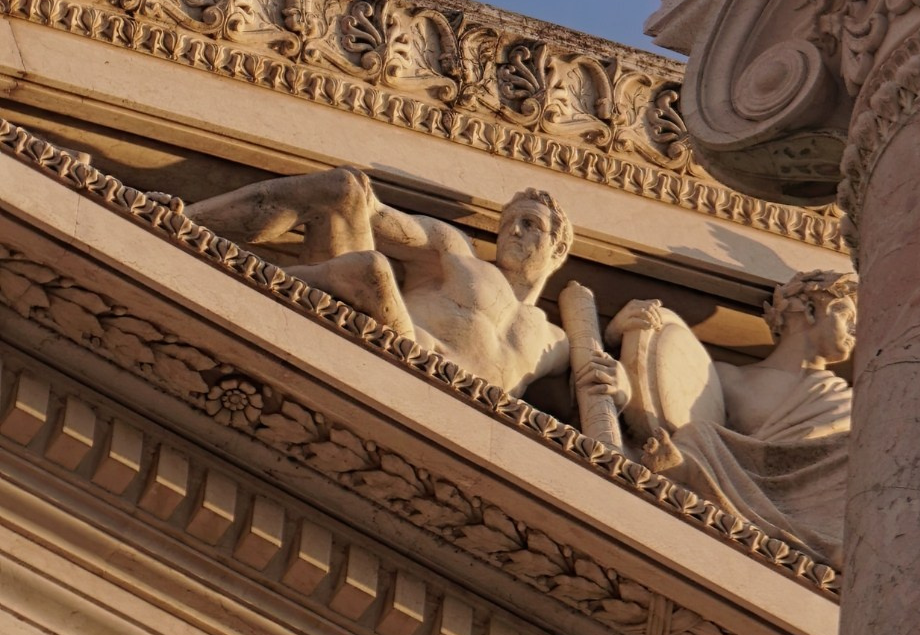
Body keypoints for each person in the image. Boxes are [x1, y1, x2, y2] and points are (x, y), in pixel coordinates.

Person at [193, 167, 609, 405]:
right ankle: (187, 225)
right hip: (394, 346)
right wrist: (366, 206)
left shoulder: (556, 341)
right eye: (507, 224)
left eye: (529, 224)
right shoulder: (456, 251)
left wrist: (619, 387)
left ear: (558, 249)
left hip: (453, 410)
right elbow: (382, 219)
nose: (512, 231)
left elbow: (594, 392)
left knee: (368, 270)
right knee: (348, 196)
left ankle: (248, 274)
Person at [611, 267, 854, 561]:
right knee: (698, 433)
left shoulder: (852, 402)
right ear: (812, 310)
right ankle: (686, 468)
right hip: (723, 496)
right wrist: (617, 339)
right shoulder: (726, 378)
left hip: (815, 517)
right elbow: (657, 398)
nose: (855, 332)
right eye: (847, 317)